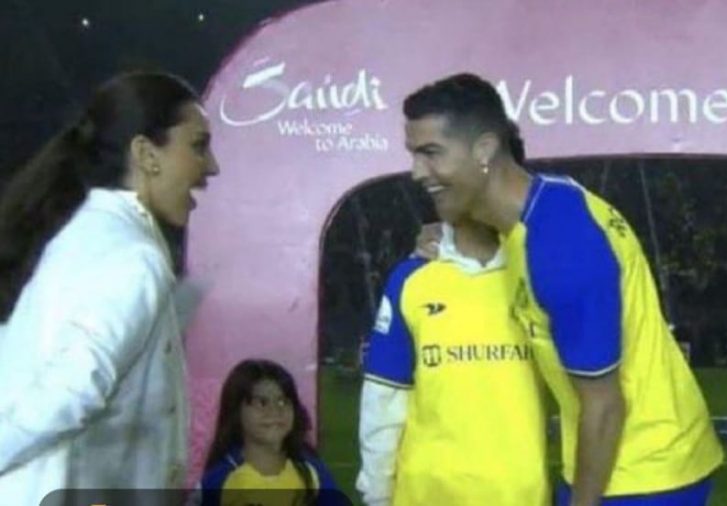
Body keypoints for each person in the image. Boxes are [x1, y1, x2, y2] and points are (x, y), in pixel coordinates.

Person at [402, 73, 723, 506]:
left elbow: (605, 406)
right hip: (616, 461)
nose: (417, 172)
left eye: (430, 153)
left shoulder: (560, 245)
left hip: (644, 474)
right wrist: (447, 240)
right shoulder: (543, 207)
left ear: (483, 149)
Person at [0, 71, 218, 505]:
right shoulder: (133, 258)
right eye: (198, 145)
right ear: (146, 154)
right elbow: (71, 390)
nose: (211, 166)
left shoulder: (88, 232)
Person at [357, 126, 549, 506]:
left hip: (521, 496)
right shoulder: (411, 279)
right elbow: (384, 399)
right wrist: (377, 495)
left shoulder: (542, 274)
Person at [196, 359, 345, 506]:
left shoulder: (310, 470)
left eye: (282, 402)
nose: (274, 411)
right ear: (236, 410)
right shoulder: (219, 480)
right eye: (262, 403)